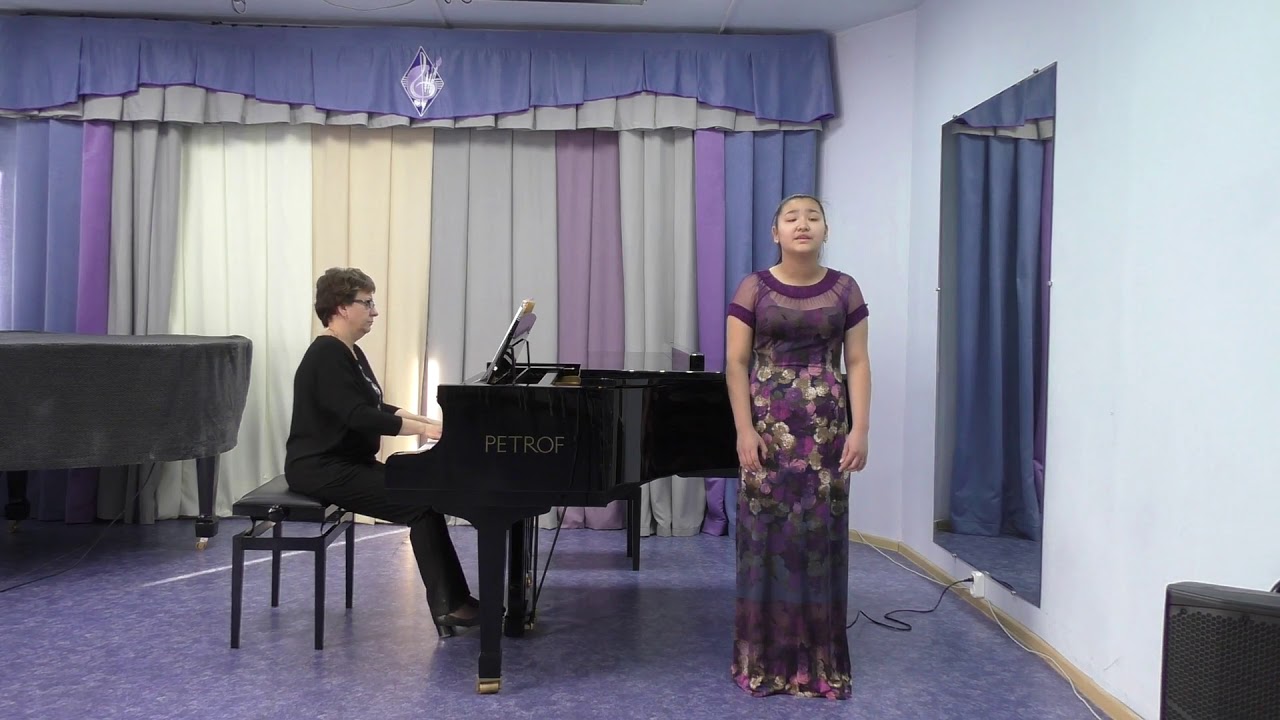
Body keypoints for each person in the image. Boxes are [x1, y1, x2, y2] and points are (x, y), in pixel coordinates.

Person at [724, 194, 871, 699]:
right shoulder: (753, 287)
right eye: (791, 218)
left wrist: (860, 429)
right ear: (776, 232)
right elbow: (736, 363)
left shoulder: (846, 289)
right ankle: (762, 663)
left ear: (825, 230)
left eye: (812, 217)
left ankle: (819, 664)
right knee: (765, 543)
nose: (802, 224)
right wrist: (743, 430)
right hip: (767, 431)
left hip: (827, 435)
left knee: (819, 544)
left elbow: (858, 362)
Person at [284, 267, 479, 634]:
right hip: (321, 468)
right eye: (367, 303)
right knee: (420, 504)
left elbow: (376, 405)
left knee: (424, 496)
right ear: (342, 308)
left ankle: (456, 601)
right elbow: (358, 416)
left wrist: (427, 421)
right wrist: (426, 430)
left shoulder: (350, 351)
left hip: (347, 463)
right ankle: (450, 606)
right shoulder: (326, 354)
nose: (374, 311)